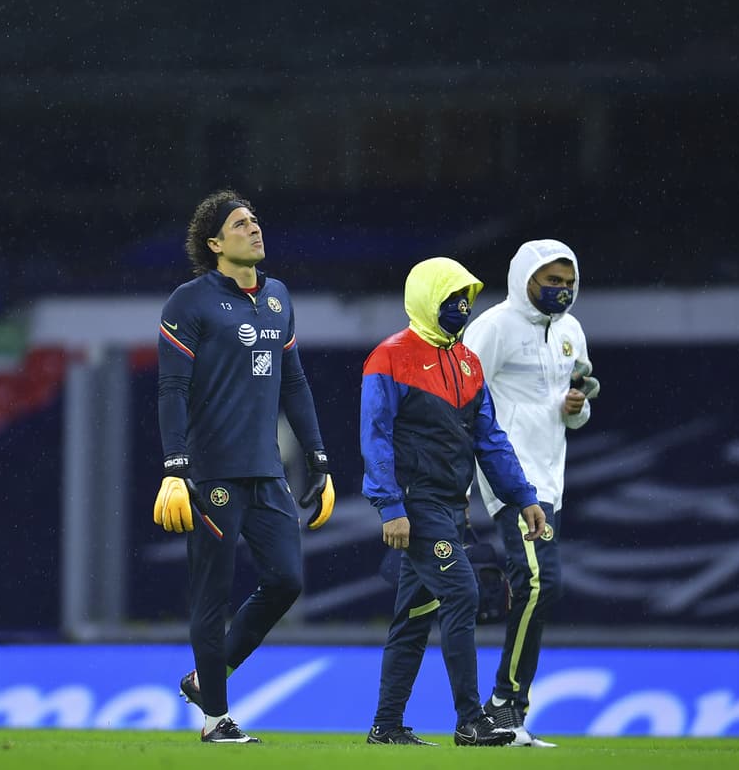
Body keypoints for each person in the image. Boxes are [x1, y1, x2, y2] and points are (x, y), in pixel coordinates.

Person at [153, 190, 335, 744]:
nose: (254, 228)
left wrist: (318, 457)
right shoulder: (189, 303)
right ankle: (216, 719)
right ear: (215, 243)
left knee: (287, 579)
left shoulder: (278, 297)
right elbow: (172, 389)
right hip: (210, 474)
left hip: (266, 471)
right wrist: (174, 467)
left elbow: (296, 384)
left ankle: (203, 680)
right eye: (240, 223)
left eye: (256, 220)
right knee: (213, 593)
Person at [361, 256, 547, 748]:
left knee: (414, 614)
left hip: (450, 507)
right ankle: (471, 721)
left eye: (466, 298)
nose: (461, 307)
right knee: (462, 593)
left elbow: (489, 438)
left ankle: (387, 726)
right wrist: (389, 507)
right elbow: (375, 437)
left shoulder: (467, 361)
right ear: (426, 298)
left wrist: (523, 496)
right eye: (451, 298)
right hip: (415, 505)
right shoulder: (389, 358)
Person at [462, 239, 598, 748]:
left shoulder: (571, 331)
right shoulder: (493, 327)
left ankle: (505, 711)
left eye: (568, 282)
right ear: (525, 278)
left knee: (533, 584)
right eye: (551, 280)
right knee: (542, 583)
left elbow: (576, 407)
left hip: (551, 476)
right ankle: (503, 705)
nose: (561, 291)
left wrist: (576, 405)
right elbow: (461, 395)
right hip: (510, 475)